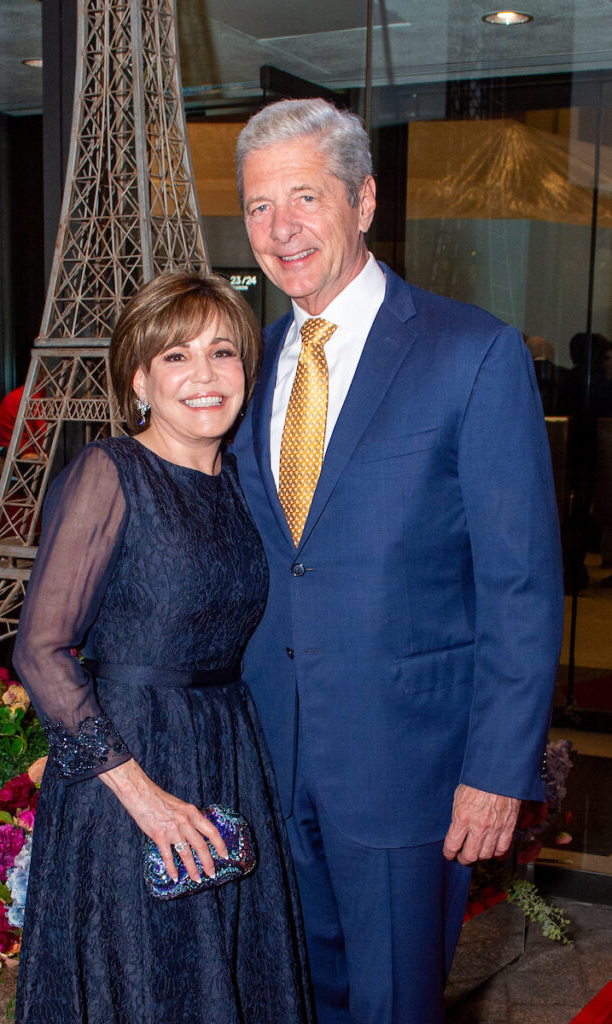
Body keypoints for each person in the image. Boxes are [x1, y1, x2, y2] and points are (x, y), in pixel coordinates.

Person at [233, 98, 563, 1024]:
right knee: (292, 998)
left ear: (364, 200)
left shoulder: (473, 353)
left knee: (392, 1005)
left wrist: (498, 769)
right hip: (265, 759)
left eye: (305, 197)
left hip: (404, 767)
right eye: (259, 206)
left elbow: (522, 583)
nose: (281, 228)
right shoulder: (246, 368)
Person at [12, 271, 313, 1024]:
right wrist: (142, 797)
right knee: (144, 976)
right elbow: (40, 650)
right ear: (139, 378)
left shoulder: (244, 483)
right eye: (176, 357)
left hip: (226, 750)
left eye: (222, 353)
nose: (205, 377)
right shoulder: (110, 474)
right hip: (128, 765)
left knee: (230, 971)